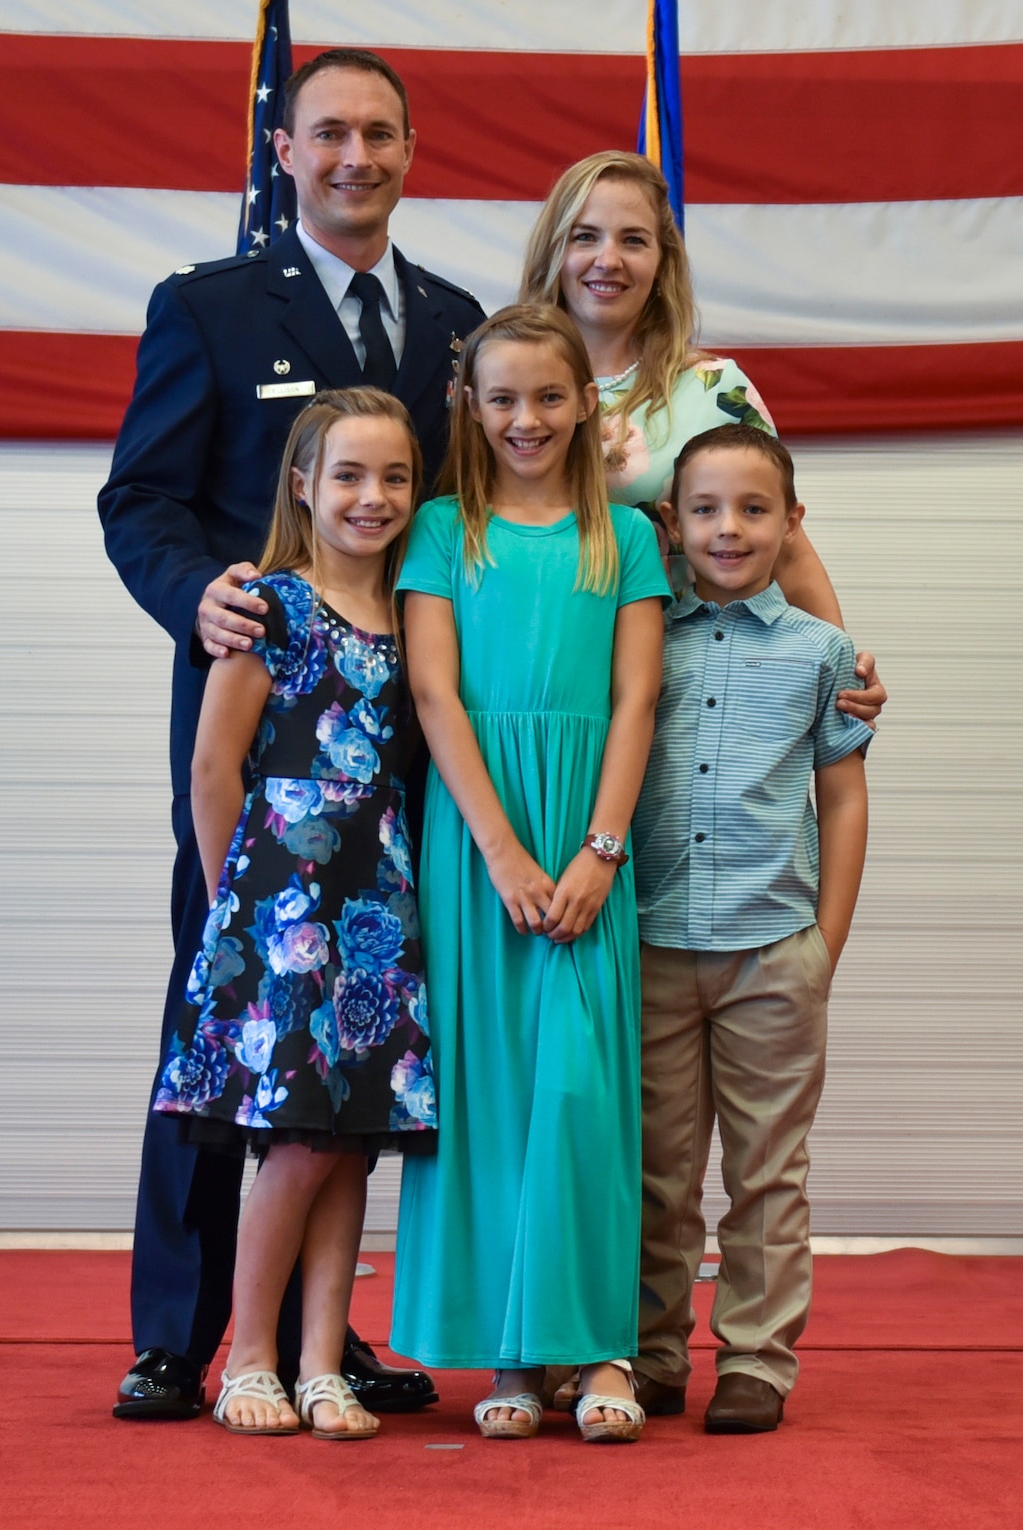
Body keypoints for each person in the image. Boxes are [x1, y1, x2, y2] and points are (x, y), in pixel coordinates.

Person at [98, 46, 485, 1422]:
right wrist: (188, 596)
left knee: (369, 1035)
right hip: (256, 737)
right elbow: (139, 499)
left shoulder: (455, 321)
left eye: (379, 134)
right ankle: (179, 1327)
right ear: (283, 148)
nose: (353, 157)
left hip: (406, 738)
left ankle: (328, 1336)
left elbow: (480, 519)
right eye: (327, 134)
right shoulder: (203, 307)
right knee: (225, 1025)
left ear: (410, 148)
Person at [388, 305, 669, 1444]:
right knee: (491, 1097)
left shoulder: (628, 541)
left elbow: (636, 699)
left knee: (581, 1096)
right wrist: (500, 850)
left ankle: (599, 1346)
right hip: (477, 840)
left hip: (584, 839)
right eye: (501, 398)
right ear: (468, 406)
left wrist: (597, 850)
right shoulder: (440, 531)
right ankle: (511, 1352)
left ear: (584, 406)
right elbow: (432, 697)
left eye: (548, 397)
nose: (525, 418)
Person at [153, 388, 435, 1439]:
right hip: (282, 909)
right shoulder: (268, 608)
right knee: (295, 1143)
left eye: (394, 477)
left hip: (379, 903)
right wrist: (247, 907)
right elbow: (212, 767)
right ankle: (246, 1356)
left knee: (352, 1138)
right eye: (349, 476)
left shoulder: (414, 615)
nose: (372, 498)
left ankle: (325, 1359)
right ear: (303, 484)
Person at [631, 424, 872, 1434]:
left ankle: (756, 1361)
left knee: (768, 1170)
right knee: (656, 1171)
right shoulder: (637, 636)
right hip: (649, 947)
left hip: (771, 950)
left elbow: (842, 799)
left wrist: (823, 944)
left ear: (790, 522)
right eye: (703, 510)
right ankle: (646, 1356)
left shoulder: (823, 655)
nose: (726, 529)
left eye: (751, 509)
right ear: (670, 525)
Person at [515, 149, 887, 721]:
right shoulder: (501, 383)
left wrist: (837, 668)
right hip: (534, 690)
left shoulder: (716, 391)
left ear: (663, 262)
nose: (607, 260)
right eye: (584, 236)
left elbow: (787, 550)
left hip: (691, 692)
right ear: (554, 250)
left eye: (633, 240)